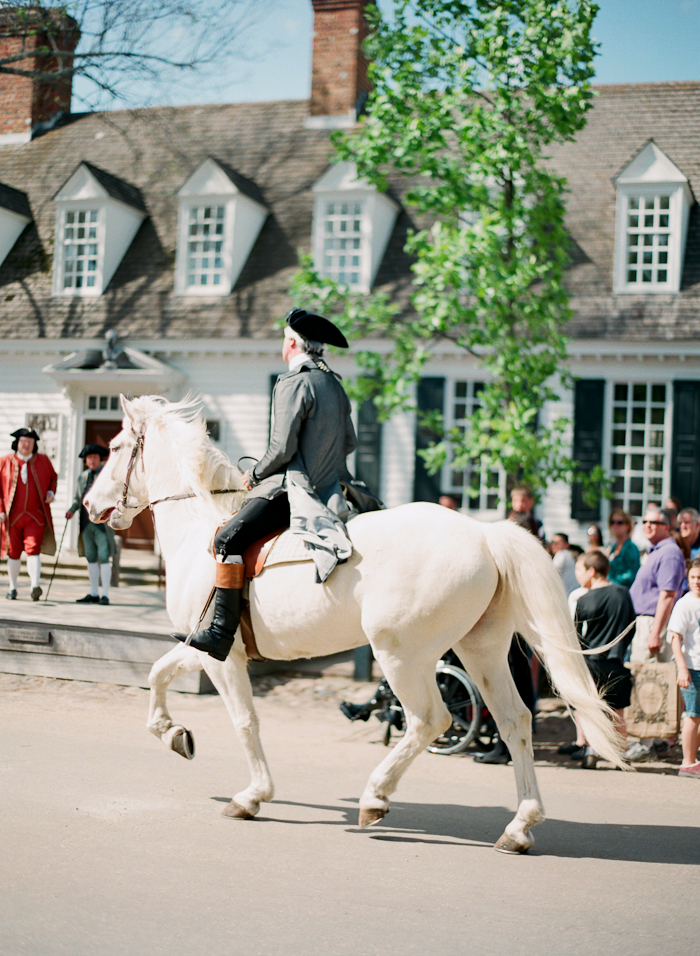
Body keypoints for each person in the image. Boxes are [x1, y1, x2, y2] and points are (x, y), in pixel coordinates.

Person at [173, 307, 381, 661]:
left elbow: (282, 448)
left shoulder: (294, 382)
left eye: (282, 341)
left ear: (291, 343)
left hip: (294, 489)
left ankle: (221, 632)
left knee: (226, 538)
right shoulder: (334, 384)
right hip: (334, 487)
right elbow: (349, 443)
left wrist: (254, 474)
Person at [626, 506, 687, 762]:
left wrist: (656, 632)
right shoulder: (657, 551)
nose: (647, 525)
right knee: (647, 679)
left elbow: (668, 595)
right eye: (645, 521)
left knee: (650, 680)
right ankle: (656, 739)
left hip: (654, 624)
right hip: (647, 622)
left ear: (667, 526)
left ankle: (647, 741)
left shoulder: (670, 553)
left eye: (654, 521)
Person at [571, 551, 636, 769]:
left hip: (590, 662)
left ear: (591, 571)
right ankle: (620, 754)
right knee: (617, 711)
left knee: (589, 709)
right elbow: (630, 626)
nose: (577, 575)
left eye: (579, 570)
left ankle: (590, 751)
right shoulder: (623, 593)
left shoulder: (584, 599)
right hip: (616, 661)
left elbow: (576, 635)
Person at [0, 427, 57, 601]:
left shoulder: (43, 460)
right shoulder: (4, 461)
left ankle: (34, 586)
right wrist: (1, 510)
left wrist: (51, 492)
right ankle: (13, 587)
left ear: (35, 444)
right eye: (24, 441)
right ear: (17, 443)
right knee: (13, 552)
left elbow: (53, 478)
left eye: (30, 442)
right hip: (12, 518)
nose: (26, 445)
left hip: (35, 517)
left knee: (33, 550)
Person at [66, 444, 117, 605]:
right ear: (86, 461)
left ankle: (106, 595)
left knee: (104, 557)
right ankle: (94, 593)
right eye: (89, 458)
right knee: (91, 558)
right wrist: (71, 510)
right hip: (86, 524)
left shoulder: (107, 475)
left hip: (103, 524)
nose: (92, 460)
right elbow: (77, 499)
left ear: (100, 459)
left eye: (95, 457)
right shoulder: (82, 477)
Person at [667, 558, 700, 778]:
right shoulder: (684, 603)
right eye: (693, 577)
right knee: (692, 715)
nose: (697, 581)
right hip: (692, 667)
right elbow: (675, 638)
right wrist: (682, 668)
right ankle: (687, 762)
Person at [605, 509, 640, 588]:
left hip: (624, 592)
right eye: (612, 522)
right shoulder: (612, 547)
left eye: (619, 522)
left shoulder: (630, 548)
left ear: (627, 526)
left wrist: (609, 581)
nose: (615, 525)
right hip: (612, 590)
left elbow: (630, 575)